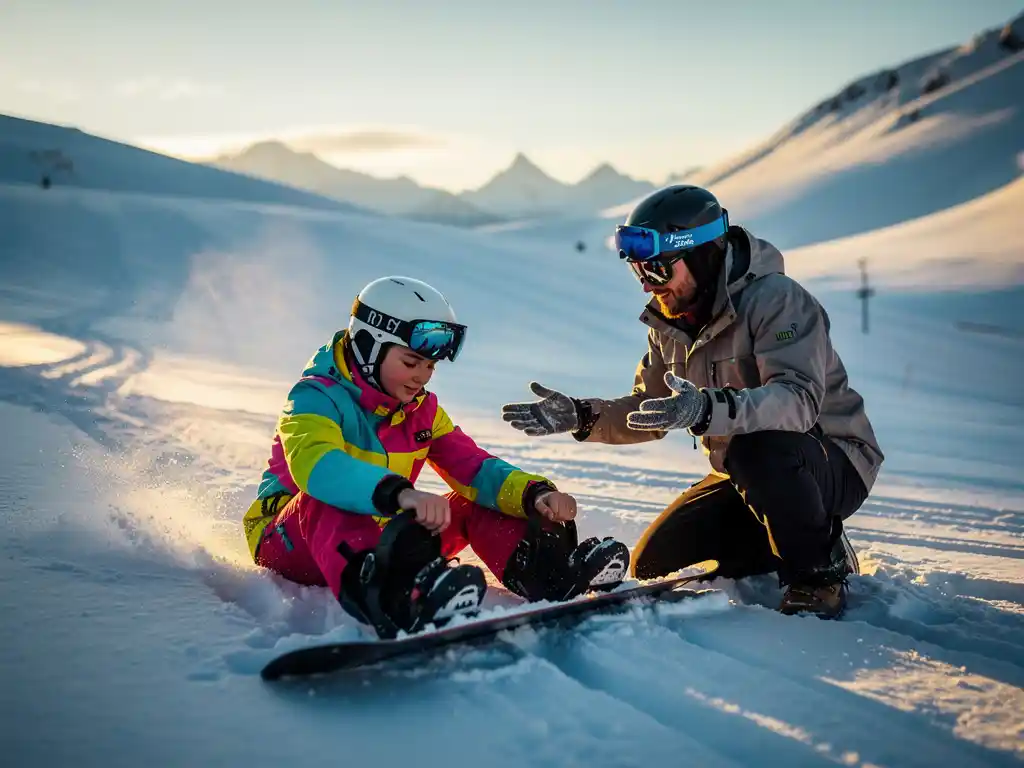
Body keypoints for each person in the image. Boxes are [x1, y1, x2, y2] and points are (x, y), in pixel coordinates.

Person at [501, 186, 883, 619]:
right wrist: (584, 415)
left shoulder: (775, 300)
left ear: (701, 255)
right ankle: (779, 536)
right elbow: (652, 407)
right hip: (746, 472)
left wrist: (706, 408)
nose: (647, 283)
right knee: (653, 563)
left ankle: (819, 573)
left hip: (830, 460)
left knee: (758, 446)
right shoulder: (670, 319)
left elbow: (797, 403)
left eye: (658, 270)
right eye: (639, 272)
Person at [243, 275, 629, 639]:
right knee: (326, 501)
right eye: (411, 363)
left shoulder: (421, 410)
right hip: (292, 539)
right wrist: (399, 494)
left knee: (475, 501)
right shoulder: (314, 398)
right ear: (367, 346)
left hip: (381, 537)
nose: (422, 376)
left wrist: (534, 495)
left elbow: (474, 468)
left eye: (429, 366)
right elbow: (318, 467)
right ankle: (397, 600)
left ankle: (550, 574)